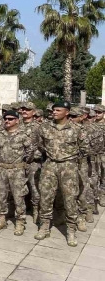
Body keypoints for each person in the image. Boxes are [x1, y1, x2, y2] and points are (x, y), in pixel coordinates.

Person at [34, 101, 88, 247]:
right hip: (50, 165)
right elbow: (40, 145)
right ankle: (44, 226)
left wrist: (71, 159)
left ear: (67, 112)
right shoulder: (45, 127)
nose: (54, 112)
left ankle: (71, 230)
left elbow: (85, 148)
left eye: (58, 110)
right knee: (45, 197)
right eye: (54, 110)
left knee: (70, 199)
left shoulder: (77, 129)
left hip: (68, 166)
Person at [0, 110, 34, 236]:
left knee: (18, 196)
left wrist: (22, 164)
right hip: (2, 169)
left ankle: (20, 221)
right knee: (1, 195)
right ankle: (1, 219)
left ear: (17, 120)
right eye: (5, 119)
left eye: (10, 119)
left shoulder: (23, 135)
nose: (7, 121)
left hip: (17, 170)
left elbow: (30, 152)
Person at [19, 101, 43, 224]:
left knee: (35, 188)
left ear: (33, 112)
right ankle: (19, 210)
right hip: (18, 163)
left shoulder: (39, 127)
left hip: (34, 162)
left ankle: (35, 210)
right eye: (23, 109)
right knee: (18, 188)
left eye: (27, 110)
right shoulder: (16, 124)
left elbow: (44, 145)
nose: (24, 111)